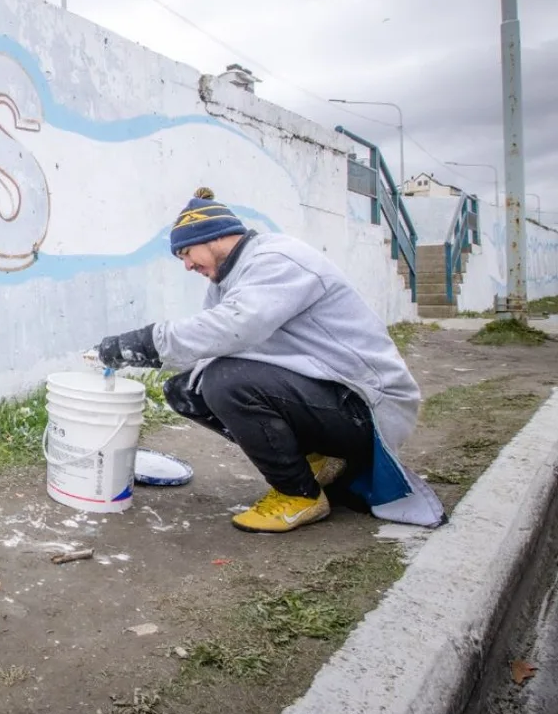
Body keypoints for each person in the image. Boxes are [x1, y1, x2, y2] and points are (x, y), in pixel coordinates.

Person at [89, 187, 445, 533]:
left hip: (368, 406)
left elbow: (233, 327)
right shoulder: (229, 279)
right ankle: (315, 461)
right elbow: (213, 346)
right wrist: (155, 359)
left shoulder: (277, 260)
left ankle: (298, 494)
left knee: (224, 381)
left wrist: (142, 343)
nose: (186, 265)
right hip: (331, 396)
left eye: (185, 252)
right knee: (188, 388)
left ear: (212, 235)